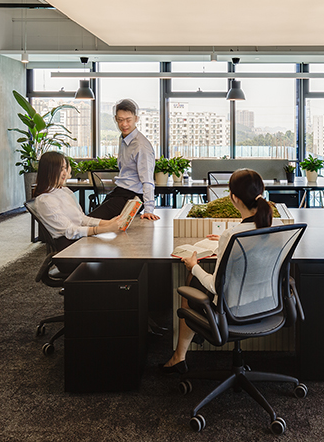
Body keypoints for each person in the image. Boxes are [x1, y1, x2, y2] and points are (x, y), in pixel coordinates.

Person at [159, 169, 276, 374]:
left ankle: (180, 356)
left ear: (233, 198)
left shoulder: (232, 235)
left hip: (232, 311)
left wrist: (193, 265)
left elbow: (215, 285)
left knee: (191, 281)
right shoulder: (273, 226)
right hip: (266, 304)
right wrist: (225, 238)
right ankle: (190, 339)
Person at [89, 99, 160, 221]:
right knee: (89, 220)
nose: (124, 124)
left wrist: (149, 210)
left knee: (92, 222)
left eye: (128, 120)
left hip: (133, 197)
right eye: (121, 120)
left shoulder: (141, 145)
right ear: (115, 119)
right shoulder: (123, 139)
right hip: (120, 192)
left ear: (136, 118)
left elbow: (147, 180)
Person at [32, 151, 123, 247]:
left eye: (65, 168)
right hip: (69, 246)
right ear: (49, 171)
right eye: (61, 169)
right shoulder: (45, 200)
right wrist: (106, 229)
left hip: (79, 239)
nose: (65, 173)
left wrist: (109, 223)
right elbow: (70, 231)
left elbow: (82, 219)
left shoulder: (64, 191)